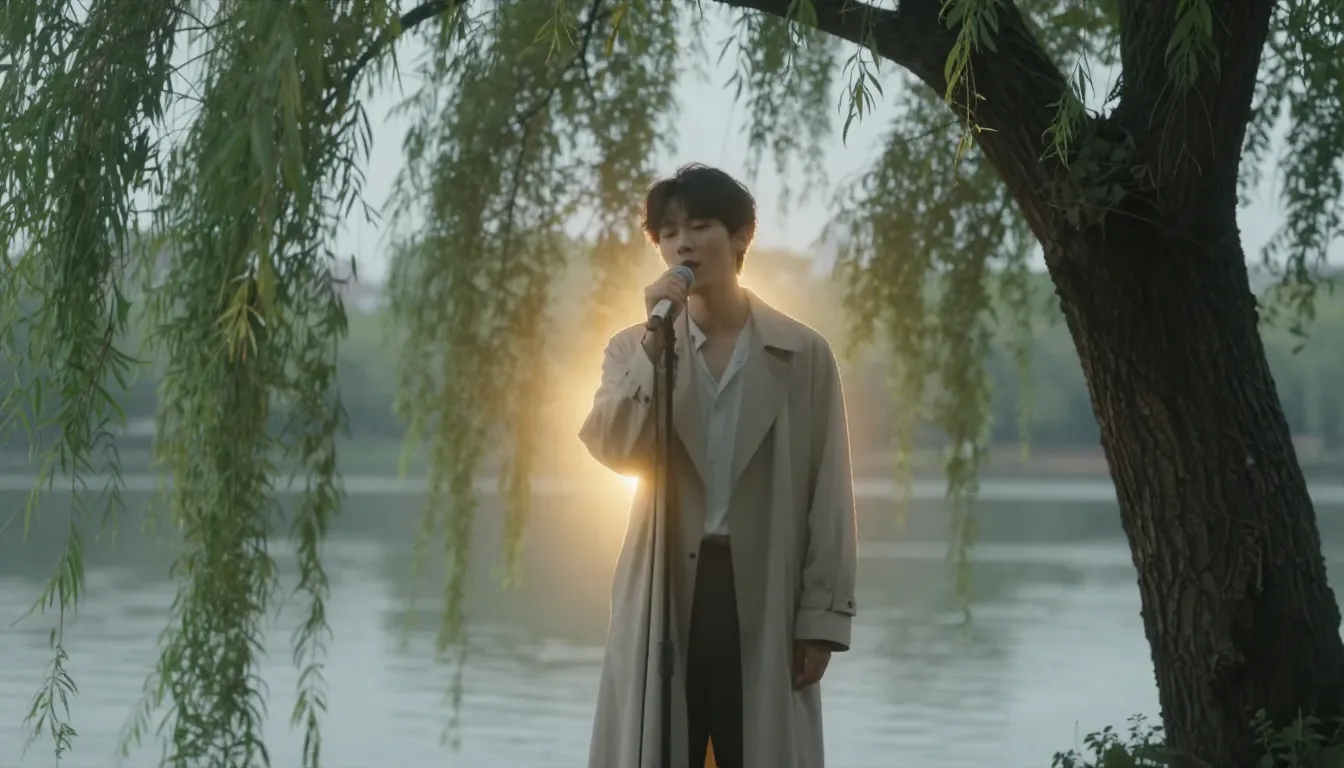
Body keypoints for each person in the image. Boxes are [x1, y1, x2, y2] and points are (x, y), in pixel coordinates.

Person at [579, 163, 858, 768]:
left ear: (740, 237)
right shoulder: (634, 348)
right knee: (661, 741)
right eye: (668, 232)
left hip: (765, 586)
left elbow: (830, 492)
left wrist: (822, 619)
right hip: (665, 585)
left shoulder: (803, 354)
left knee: (755, 745)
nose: (682, 243)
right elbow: (613, 447)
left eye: (700, 226)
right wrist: (655, 346)